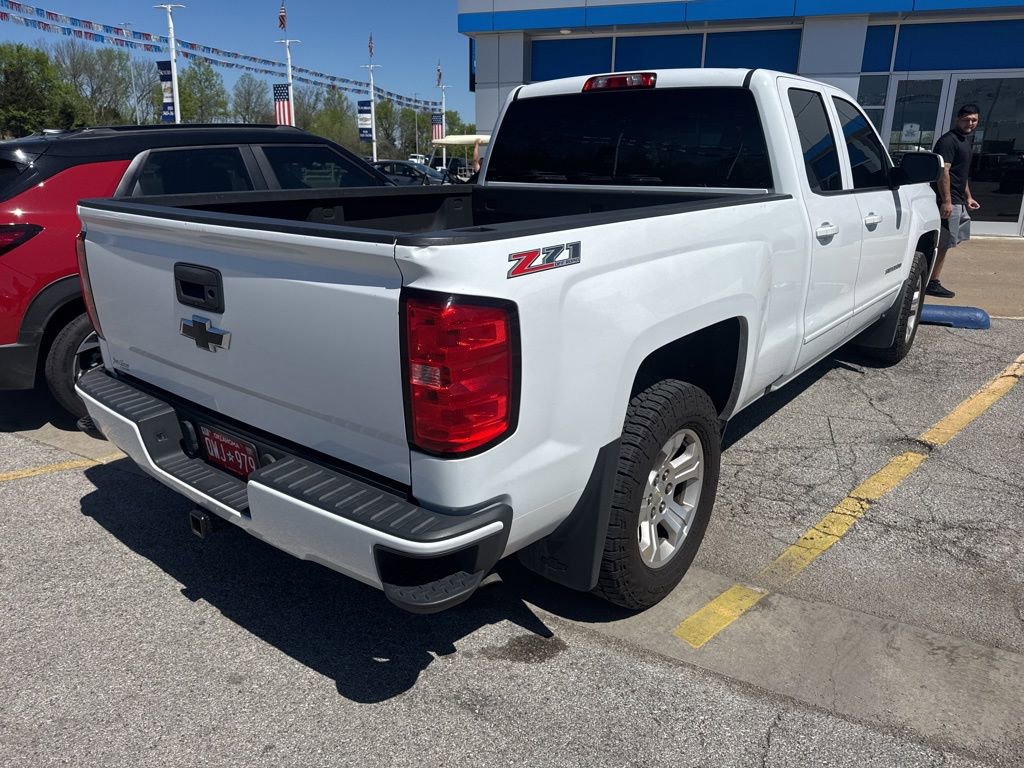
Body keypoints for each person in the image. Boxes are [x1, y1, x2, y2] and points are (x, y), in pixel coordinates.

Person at [928, 104, 981, 298]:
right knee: (943, 243)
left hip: (958, 200)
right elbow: (944, 171)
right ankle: (932, 282)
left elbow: (961, 174)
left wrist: (968, 197)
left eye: (974, 120)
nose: (970, 123)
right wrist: (947, 201)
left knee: (948, 243)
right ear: (957, 119)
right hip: (948, 201)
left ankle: (932, 278)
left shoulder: (965, 141)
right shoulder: (948, 141)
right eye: (966, 119)